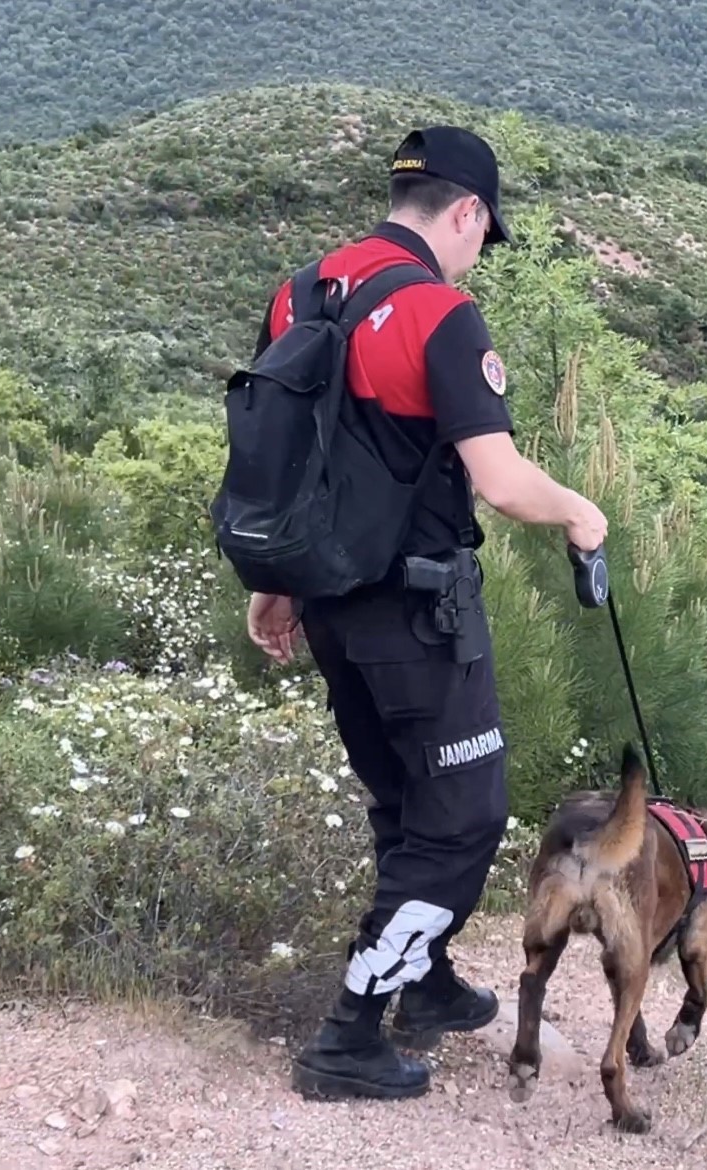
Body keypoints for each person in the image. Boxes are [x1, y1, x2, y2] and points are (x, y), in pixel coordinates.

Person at [242, 125, 609, 1101]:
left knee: (405, 803)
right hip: (415, 618)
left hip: (328, 604)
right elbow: (500, 482)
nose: (472, 258)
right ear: (466, 214)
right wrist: (581, 512)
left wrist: (273, 584)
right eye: (479, 240)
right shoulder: (441, 313)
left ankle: (428, 982)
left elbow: (284, 458)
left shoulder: (300, 291)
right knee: (463, 820)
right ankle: (350, 1033)